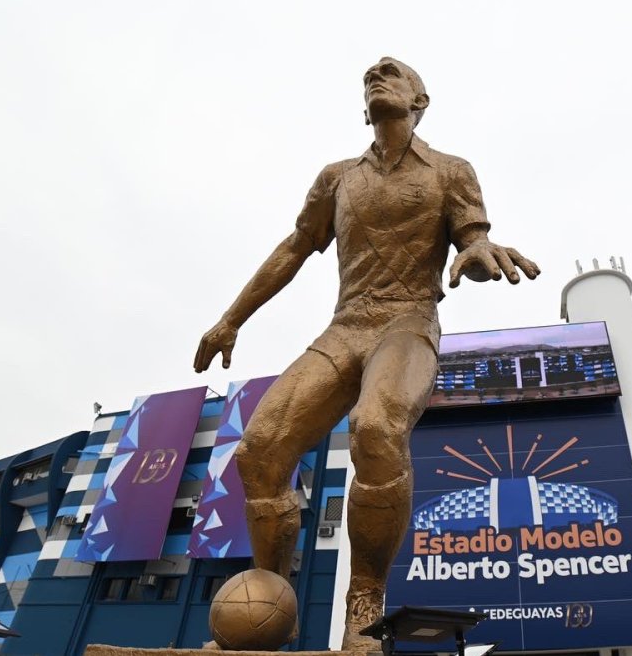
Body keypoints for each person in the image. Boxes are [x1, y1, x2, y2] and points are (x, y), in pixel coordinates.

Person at [194, 57, 539, 651]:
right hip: (345, 327)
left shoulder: (451, 171)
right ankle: (268, 604)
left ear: (420, 100)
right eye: (369, 79)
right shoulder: (337, 177)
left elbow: (472, 237)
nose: (377, 77)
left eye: (392, 73)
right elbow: (294, 248)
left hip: (408, 322)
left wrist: (480, 252)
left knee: (376, 428)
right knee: (261, 450)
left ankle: (365, 600)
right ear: (364, 109)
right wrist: (231, 320)